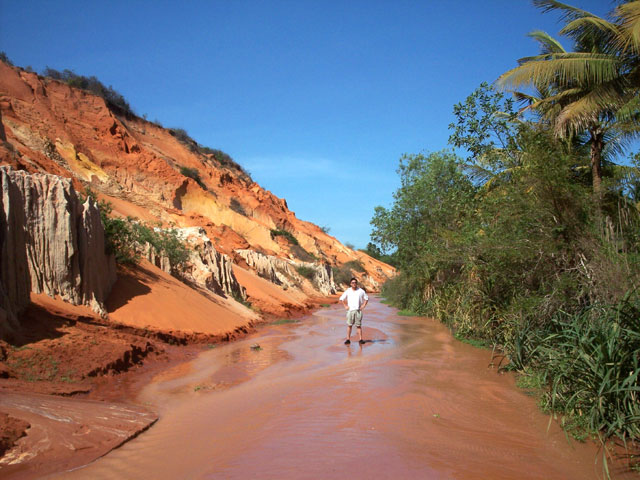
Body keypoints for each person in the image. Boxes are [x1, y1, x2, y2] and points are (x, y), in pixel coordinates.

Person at [339, 277, 369, 345]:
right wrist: (345, 306)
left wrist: (363, 306)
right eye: (352, 283)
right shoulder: (348, 291)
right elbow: (341, 299)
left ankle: (360, 339)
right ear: (350, 284)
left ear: (356, 283)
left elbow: (366, 298)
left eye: (355, 282)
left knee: (358, 326)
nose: (354, 284)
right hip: (350, 311)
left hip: (358, 311)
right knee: (349, 325)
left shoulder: (361, 291)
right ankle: (348, 339)